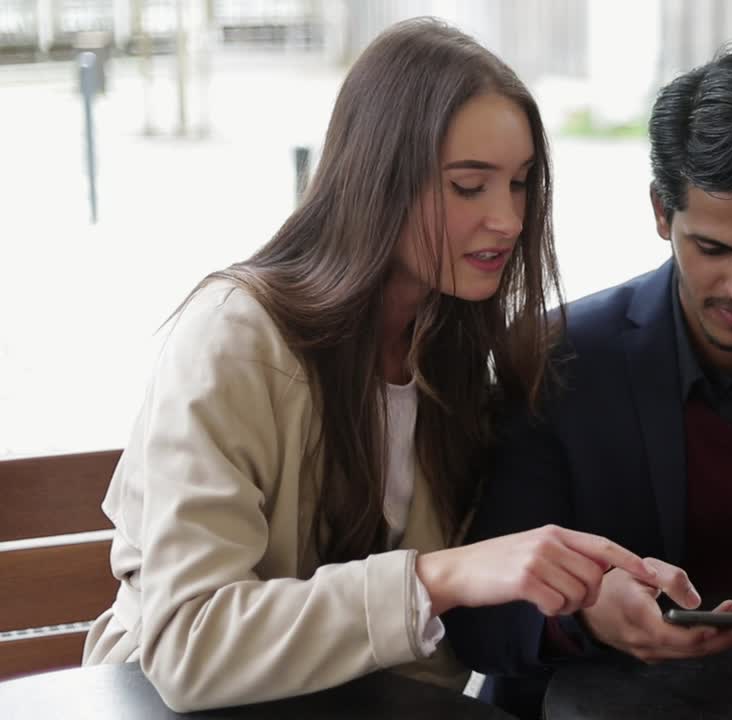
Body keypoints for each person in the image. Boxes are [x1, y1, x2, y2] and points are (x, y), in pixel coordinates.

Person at [80, 18, 658, 713]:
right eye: (469, 185)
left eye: (522, 183)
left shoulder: (449, 352)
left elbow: (449, 640)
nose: (507, 219)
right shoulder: (235, 337)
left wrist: (587, 596)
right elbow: (190, 644)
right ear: (379, 178)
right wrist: (438, 576)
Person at [445, 45, 732, 717]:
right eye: (713, 249)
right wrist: (584, 614)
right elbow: (478, 624)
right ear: (663, 213)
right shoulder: (554, 356)